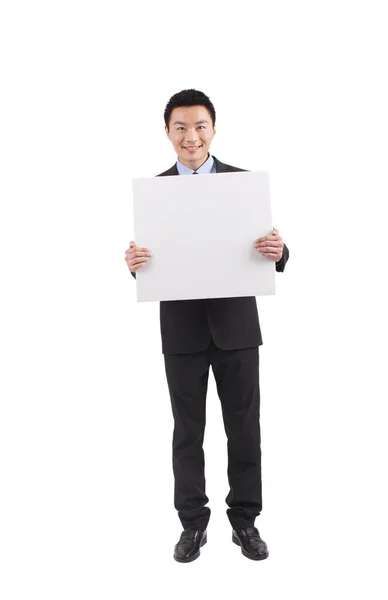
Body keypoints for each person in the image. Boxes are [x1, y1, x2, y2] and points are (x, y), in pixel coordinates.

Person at [125, 89, 289, 562]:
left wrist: (279, 252)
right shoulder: (153, 193)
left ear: (213, 129)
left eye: (199, 126)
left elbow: (270, 249)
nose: (191, 136)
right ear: (168, 133)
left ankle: (246, 522)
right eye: (181, 127)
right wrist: (134, 263)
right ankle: (192, 524)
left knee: (245, 429)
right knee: (187, 432)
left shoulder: (244, 184)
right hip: (182, 332)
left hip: (237, 329)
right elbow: (152, 261)